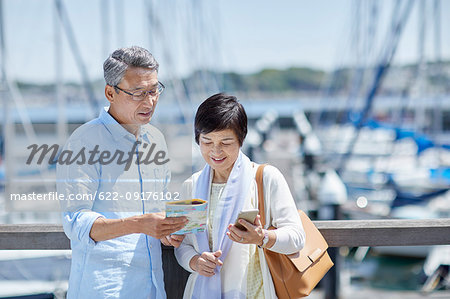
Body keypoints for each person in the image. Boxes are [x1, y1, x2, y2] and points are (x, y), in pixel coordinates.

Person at [57, 46, 188, 299]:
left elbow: (156, 211)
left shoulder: (157, 140)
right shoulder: (83, 142)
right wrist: (140, 224)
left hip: (153, 288)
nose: (149, 101)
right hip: (104, 289)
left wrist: (167, 231)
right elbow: (76, 223)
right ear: (110, 92)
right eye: (138, 93)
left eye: (154, 90)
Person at [175, 93, 305, 298]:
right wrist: (194, 261)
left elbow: (297, 238)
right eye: (207, 142)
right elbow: (183, 244)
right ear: (197, 139)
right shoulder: (191, 187)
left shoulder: (265, 178)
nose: (216, 151)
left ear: (241, 139)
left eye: (226, 142)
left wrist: (262, 237)